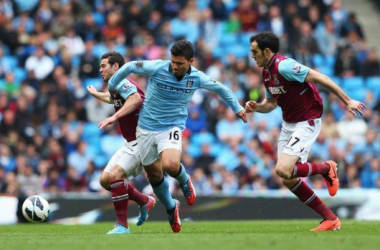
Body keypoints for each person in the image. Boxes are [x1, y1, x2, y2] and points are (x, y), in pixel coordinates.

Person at [108, 40, 247, 233]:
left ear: (190, 61)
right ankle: (172, 208)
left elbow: (220, 88)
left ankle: (184, 180)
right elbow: (131, 66)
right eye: (173, 61)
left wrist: (237, 108)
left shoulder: (197, 77)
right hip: (146, 129)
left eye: (180, 63)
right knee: (154, 176)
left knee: (170, 165)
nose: (174, 66)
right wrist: (113, 83)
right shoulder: (157, 67)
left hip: (171, 127)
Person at [245, 31, 366, 231]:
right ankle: (331, 218)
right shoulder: (266, 72)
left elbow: (320, 77)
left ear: (267, 51)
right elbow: (272, 103)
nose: (252, 56)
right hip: (288, 124)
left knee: (282, 169)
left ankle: (327, 168)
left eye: (255, 52)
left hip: (307, 120)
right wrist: (257, 107)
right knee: (287, 177)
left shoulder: (284, 66)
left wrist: (347, 100)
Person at [87, 51, 156, 235]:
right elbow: (113, 98)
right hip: (130, 142)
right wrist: (96, 94)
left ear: (115, 67)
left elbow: (136, 99)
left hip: (143, 141)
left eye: (104, 66)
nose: (100, 69)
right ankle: (144, 200)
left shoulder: (123, 81)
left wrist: (113, 117)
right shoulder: (114, 85)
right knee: (104, 180)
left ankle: (122, 226)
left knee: (115, 176)